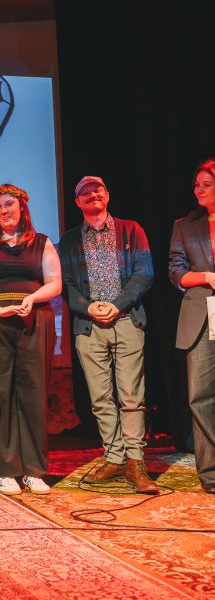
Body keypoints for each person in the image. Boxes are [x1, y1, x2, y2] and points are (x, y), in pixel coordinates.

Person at [59, 176, 157, 494]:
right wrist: (88, 308)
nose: (93, 195)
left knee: (131, 396)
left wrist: (118, 305)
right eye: (85, 193)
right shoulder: (69, 240)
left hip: (127, 320)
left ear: (107, 195)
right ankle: (115, 458)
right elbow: (65, 284)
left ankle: (135, 462)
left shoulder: (131, 230)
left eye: (97, 190)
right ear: (77, 202)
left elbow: (144, 273)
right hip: (88, 326)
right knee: (100, 398)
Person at [0, 184, 61, 496]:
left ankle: (34, 471)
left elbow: (55, 283)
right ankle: (7, 470)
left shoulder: (42, 242)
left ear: (21, 206)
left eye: (9, 204)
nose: (4, 211)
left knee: (34, 392)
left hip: (33, 319)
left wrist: (32, 298)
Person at [169, 159, 215, 494]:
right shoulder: (184, 225)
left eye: (206, 185)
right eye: (196, 185)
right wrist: (206, 276)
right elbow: (176, 272)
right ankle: (211, 473)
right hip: (200, 312)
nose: (199, 190)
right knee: (200, 396)